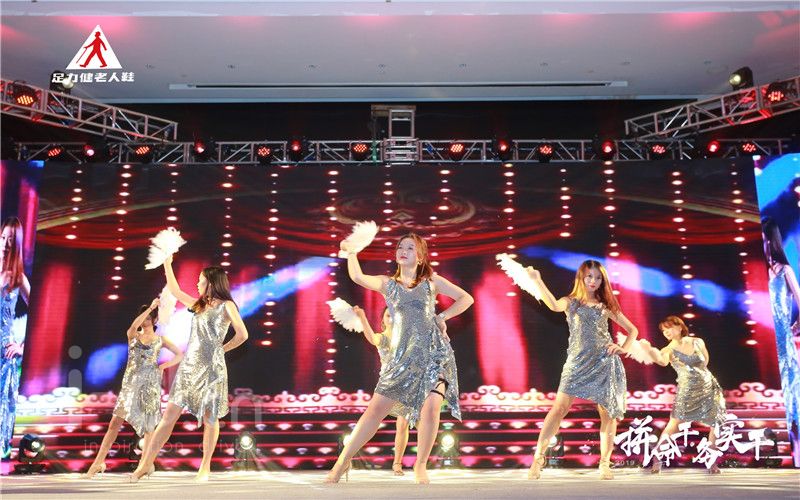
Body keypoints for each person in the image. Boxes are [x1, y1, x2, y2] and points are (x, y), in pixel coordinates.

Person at [326, 233, 473, 484]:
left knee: (431, 408)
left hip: (434, 354)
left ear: (421, 256)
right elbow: (357, 277)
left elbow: (466, 298)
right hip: (401, 357)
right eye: (400, 247)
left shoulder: (432, 282)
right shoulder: (388, 284)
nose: (403, 251)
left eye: (410, 248)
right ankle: (342, 462)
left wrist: (441, 317)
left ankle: (420, 465)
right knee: (374, 412)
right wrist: (351, 252)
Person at [130, 256, 249, 482]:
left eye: (200, 280)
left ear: (211, 282)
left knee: (210, 418)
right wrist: (167, 263)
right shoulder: (198, 305)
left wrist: (221, 350)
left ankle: (205, 467)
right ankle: (146, 464)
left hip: (212, 370)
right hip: (189, 367)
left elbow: (242, 334)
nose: (197, 284)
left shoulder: (227, 305)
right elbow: (175, 291)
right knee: (169, 416)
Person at [524, 260, 638, 480]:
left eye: (598, 278)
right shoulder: (571, 302)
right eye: (589, 276)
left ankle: (604, 463)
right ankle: (538, 458)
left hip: (604, 362)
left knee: (607, 413)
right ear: (581, 278)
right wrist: (538, 281)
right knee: (559, 408)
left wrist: (622, 348)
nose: (593, 281)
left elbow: (632, 330)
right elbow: (553, 305)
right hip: (577, 362)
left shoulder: (605, 305)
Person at [84, 299, 183, 478]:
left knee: (149, 427)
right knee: (115, 423)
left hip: (150, 385)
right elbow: (133, 326)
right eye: (143, 317)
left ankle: (145, 464)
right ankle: (98, 463)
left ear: (154, 320)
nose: (145, 321)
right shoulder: (134, 335)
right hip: (130, 385)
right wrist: (150, 307)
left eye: (149, 318)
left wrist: (163, 366)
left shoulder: (160, 340)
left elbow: (179, 354)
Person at [647, 315, 726, 474]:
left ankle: (712, 462)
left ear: (679, 327)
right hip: (687, 389)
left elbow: (705, 362)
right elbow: (662, 362)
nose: (666, 332)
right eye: (663, 330)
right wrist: (647, 350)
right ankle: (657, 458)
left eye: (668, 328)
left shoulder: (698, 341)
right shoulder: (667, 350)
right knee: (674, 424)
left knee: (717, 423)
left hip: (708, 386)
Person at [352, 305, 411, 476]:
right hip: (388, 385)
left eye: (394, 315)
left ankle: (397, 463)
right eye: (387, 315)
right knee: (371, 420)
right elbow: (372, 338)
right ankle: (347, 455)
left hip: (407, 384)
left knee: (403, 424)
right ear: (383, 320)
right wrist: (362, 317)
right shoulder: (383, 338)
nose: (391, 318)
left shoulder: (408, 338)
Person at [762, 217, 800, 466]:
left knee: (790, 388)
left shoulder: (784, 270)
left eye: (765, 240)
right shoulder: (764, 270)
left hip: (782, 337)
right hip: (767, 337)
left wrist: (795, 326)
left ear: (771, 241)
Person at [0, 217, 30, 457]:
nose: (5, 244)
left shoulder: (17, 277)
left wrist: (21, 345)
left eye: (10, 239)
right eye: (2, 238)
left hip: (3, 353)